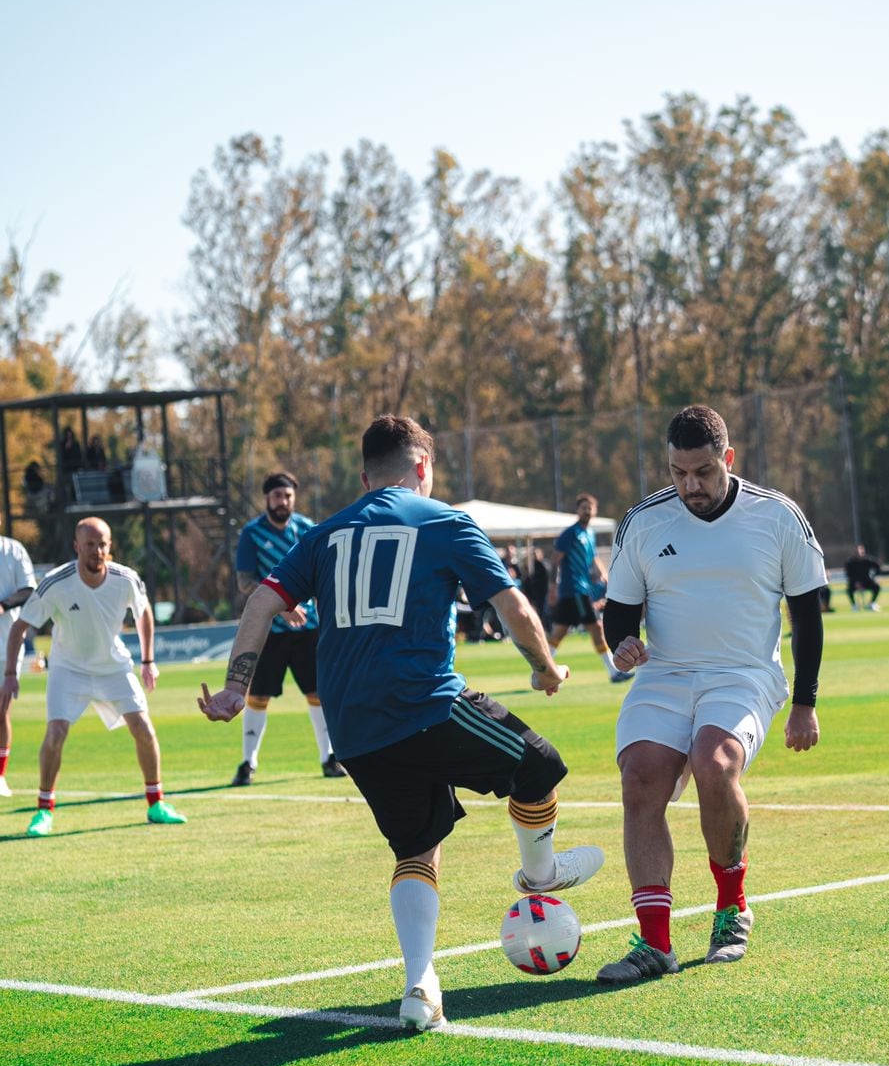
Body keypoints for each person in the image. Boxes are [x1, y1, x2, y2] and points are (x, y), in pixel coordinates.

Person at [198, 415, 604, 1032]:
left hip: (356, 731)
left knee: (417, 847)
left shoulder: (325, 533)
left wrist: (236, 688)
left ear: (365, 478)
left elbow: (261, 600)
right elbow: (512, 604)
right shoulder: (442, 518)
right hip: (428, 706)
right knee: (539, 763)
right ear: (423, 468)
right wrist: (545, 668)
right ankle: (540, 874)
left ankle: (420, 987)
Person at [594, 404, 825, 984]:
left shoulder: (777, 517)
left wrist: (806, 702)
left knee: (713, 762)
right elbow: (620, 612)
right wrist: (621, 644)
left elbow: (807, 614)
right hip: (665, 674)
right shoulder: (643, 522)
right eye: (677, 473)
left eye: (702, 472)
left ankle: (731, 908)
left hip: (743, 674)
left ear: (728, 459)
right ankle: (654, 944)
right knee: (640, 777)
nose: (689, 486)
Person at [0, 518, 186, 837]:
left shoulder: (126, 578)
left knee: (143, 727)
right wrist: (9, 674)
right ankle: (44, 811)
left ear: (110, 546)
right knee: (56, 733)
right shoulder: (57, 582)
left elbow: (143, 613)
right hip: (67, 669)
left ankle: (156, 803)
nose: (97, 551)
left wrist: (148, 660)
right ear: (77, 546)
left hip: (113, 667)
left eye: (102, 544)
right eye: (90, 544)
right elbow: (20, 626)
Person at [231, 471, 346, 784]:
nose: (283, 501)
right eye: (278, 496)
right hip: (269, 630)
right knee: (259, 696)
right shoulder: (252, 533)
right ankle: (247, 763)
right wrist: (280, 607)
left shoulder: (307, 529)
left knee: (319, 693)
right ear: (267, 498)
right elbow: (245, 583)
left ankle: (329, 758)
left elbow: (323, 574)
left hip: (308, 629)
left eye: (288, 496)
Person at [548, 493, 632, 682]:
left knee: (559, 632)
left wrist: (604, 575)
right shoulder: (571, 533)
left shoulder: (590, 533)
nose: (587, 511)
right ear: (577, 510)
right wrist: (552, 587)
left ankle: (542, 669)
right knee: (596, 627)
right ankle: (613, 672)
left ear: (595, 511)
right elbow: (555, 560)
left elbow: (593, 557)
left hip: (580, 590)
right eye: (583, 507)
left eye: (590, 508)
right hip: (575, 590)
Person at [0, 533, 36, 798]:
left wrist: (2, 606)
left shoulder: (13, 550)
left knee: (0, 712)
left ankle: (0, 776)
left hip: (6, 644)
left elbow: (28, 589)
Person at [844, 545, 881, 610]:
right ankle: (854, 605)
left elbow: (878, 566)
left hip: (867, 582)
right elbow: (849, 574)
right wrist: (856, 583)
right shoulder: (850, 562)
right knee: (849, 590)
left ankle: (871, 603)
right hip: (854, 583)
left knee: (876, 587)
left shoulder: (868, 560)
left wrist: (874, 577)